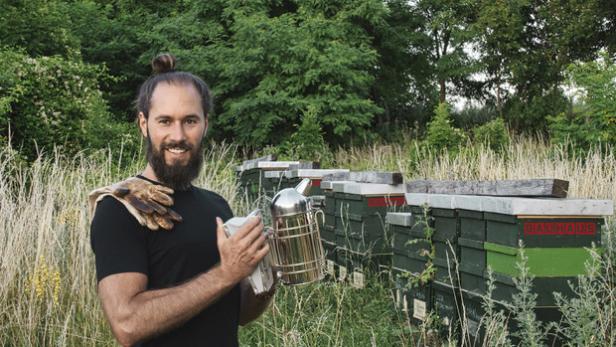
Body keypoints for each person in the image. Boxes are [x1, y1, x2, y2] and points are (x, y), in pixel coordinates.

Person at [90, 53, 275, 347]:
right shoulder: (120, 208)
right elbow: (127, 324)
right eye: (165, 121)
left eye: (190, 120)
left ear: (205, 124)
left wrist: (268, 276)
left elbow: (238, 314)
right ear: (143, 124)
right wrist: (225, 274)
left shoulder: (217, 206)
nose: (178, 136)